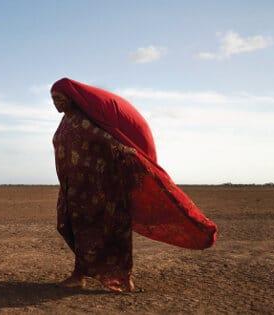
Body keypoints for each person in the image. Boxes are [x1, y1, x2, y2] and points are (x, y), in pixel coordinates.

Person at [50, 78, 217, 292]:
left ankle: (119, 277)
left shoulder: (82, 121)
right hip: (74, 190)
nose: (56, 103)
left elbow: (108, 141)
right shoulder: (66, 122)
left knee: (107, 231)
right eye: (53, 99)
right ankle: (82, 273)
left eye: (59, 98)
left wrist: (131, 154)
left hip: (98, 190)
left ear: (71, 98)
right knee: (70, 227)